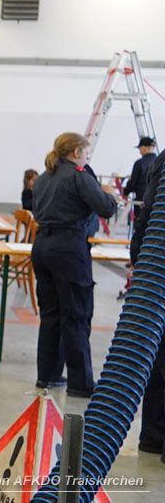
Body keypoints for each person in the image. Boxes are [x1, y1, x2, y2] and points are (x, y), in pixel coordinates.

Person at [32, 132, 117, 398]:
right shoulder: (79, 177)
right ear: (76, 152)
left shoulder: (44, 177)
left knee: (51, 315)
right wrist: (108, 194)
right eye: (86, 153)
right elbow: (106, 209)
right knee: (76, 315)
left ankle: (47, 375)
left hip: (42, 246)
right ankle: (80, 383)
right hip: (69, 248)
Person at [128, 143, 165, 464]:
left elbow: (146, 214)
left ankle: (152, 437)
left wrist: (137, 257)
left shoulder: (160, 161)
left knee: (158, 354)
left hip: (156, 271)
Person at [124, 136, 157, 220]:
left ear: (143, 148)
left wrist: (125, 191)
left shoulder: (139, 163)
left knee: (140, 225)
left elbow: (133, 183)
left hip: (141, 200)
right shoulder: (159, 162)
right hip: (156, 201)